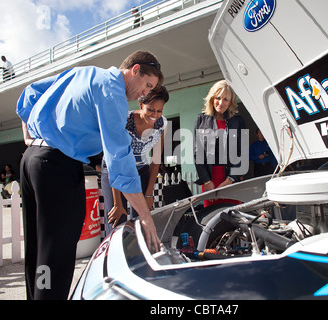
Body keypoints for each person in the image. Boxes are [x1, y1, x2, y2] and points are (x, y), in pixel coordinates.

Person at [16, 50, 163, 300]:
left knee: (39, 250)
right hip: (56, 167)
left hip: (32, 161)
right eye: (147, 85)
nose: (145, 94)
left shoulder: (82, 73)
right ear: (135, 69)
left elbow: (30, 92)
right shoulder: (112, 91)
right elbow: (119, 157)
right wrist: (146, 217)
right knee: (56, 255)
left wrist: (28, 134)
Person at [101, 86, 169, 234]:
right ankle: (114, 254)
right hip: (114, 169)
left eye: (159, 110)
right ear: (140, 104)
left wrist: (149, 194)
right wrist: (118, 203)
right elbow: (115, 159)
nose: (155, 115)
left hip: (140, 169)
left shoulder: (162, 124)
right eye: (151, 109)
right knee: (117, 219)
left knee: (141, 218)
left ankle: (137, 253)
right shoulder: (124, 121)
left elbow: (156, 160)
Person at [193, 80, 246, 207]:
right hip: (210, 180)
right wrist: (207, 181)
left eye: (225, 99)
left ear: (231, 101)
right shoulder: (201, 119)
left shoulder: (238, 120)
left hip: (231, 179)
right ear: (212, 98)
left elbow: (242, 153)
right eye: (218, 98)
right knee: (211, 218)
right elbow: (198, 153)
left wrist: (230, 180)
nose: (221, 103)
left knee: (234, 216)